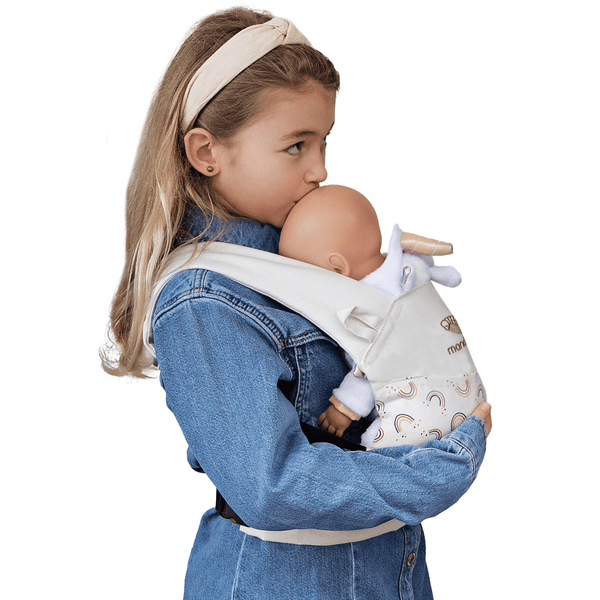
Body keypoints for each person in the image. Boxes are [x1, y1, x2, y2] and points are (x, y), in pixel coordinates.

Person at [102, 8, 492, 599]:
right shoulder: (202, 301)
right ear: (207, 152)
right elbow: (270, 483)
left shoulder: (306, 259)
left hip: (388, 565)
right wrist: (443, 465)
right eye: (295, 146)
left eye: (324, 141)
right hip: (282, 580)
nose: (321, 168)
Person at [279, 184, 485, 447]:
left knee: (375, 453)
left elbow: (374, 364)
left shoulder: (369, 307)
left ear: (336, 268)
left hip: (425, 413)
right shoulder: (407, 270)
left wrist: (343, 409)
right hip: (468, 392)